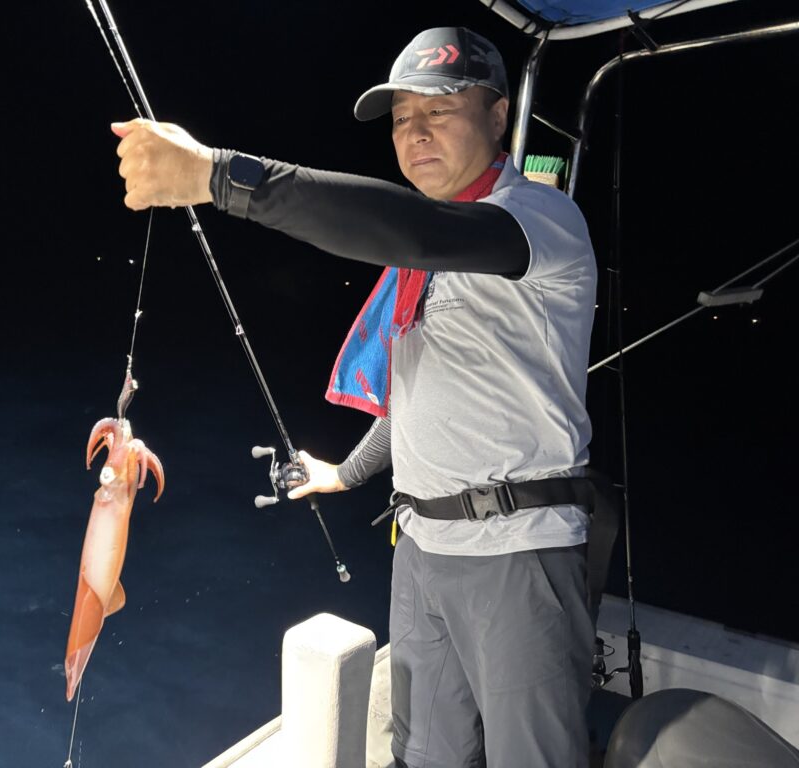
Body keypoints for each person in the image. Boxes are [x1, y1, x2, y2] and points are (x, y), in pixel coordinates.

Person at [111, 26, 598, 768]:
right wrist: (345, 472)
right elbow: (417, 398)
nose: (415, 132)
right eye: (402, 118)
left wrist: (218, 176)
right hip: (423, 547)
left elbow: (413, 229)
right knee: (422, 756)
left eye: (440, 110)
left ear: (499, 116)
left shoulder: (535, 219)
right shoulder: (422, 261)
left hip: (517, 553)